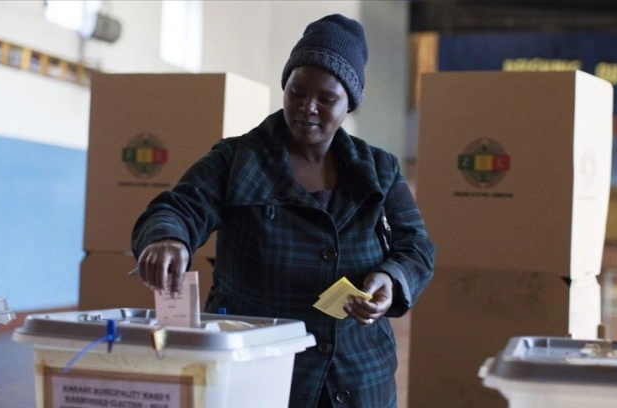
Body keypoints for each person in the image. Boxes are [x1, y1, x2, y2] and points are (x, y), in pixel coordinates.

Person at [131, 13, 435, 408]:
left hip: (357, 377)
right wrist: (167, 238)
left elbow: (417, 246)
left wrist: (391, 279)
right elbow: (179, 207)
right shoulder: (236, 159)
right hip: (258, 367)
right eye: (297, 91)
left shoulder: (379, 169)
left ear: (349, 105)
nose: (308, 107)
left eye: (326, 99)